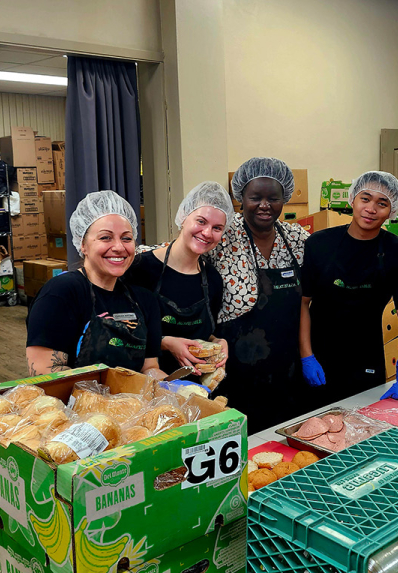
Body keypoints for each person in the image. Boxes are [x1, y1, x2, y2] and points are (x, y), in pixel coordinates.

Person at [299, 171, 398, 410]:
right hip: (319, 355)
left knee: (362, 429)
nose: (371, 208)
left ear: (392, 210)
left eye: (382, 203)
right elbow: (303, 303)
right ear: (352, 200)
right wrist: (306, 356)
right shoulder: (319, 244)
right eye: (365, 198)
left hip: (366, 358)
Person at [208, 157, 309, 434]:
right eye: (255, 197)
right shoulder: (222, 237)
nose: (264, 205)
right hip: (233, 370)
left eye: (273, 198)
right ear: (240, 198)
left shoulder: (297, 238)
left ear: (284, 199)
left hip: (285, 366)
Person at [26, 190, 166, 380]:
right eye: (105, 237)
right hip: (74, 406)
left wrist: (173, 390)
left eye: (126, 238)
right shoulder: (61, 293)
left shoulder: (145, 300)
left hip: (134, 406)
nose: (118, 247)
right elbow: (44, 372)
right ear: (83, 245)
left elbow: (149, 367)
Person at [127, 182, 231, 375]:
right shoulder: (141, 268)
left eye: (217, 228)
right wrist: (166, 343)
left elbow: (204, 333)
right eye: (201, 221)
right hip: (145, 385)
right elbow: (121, 332)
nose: (207, 233)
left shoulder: (213, 279)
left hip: (195, 389)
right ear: (183, 218)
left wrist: (217, 341)